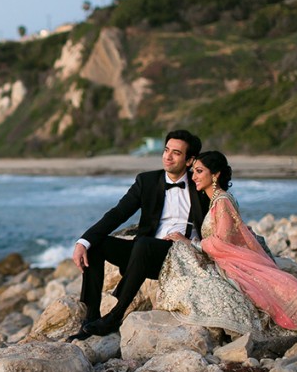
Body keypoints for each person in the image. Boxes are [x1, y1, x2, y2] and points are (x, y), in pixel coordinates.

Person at [68, 129, 210, 342]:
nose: (167, 156)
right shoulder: (147, 181)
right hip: (144, 255)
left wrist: (193, 242)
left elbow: (218, 220)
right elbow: (118, 214)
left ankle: (116, 315)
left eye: (176, 153)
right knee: (96, 245)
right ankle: (90, 318)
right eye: (166, 150)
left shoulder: (199, 184)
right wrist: (83, 241)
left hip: (179, 255)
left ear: (190, 160)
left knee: (144, 244)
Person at [158, 151, 297, 334]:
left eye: (199, 171)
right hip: (224, 257)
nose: (193, 177)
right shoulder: (218, 200)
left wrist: (190, 243)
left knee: (181, 251)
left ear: (215, 174)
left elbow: (223, 241)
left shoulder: (222, 201)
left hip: (229, 260)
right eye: (193, 172)